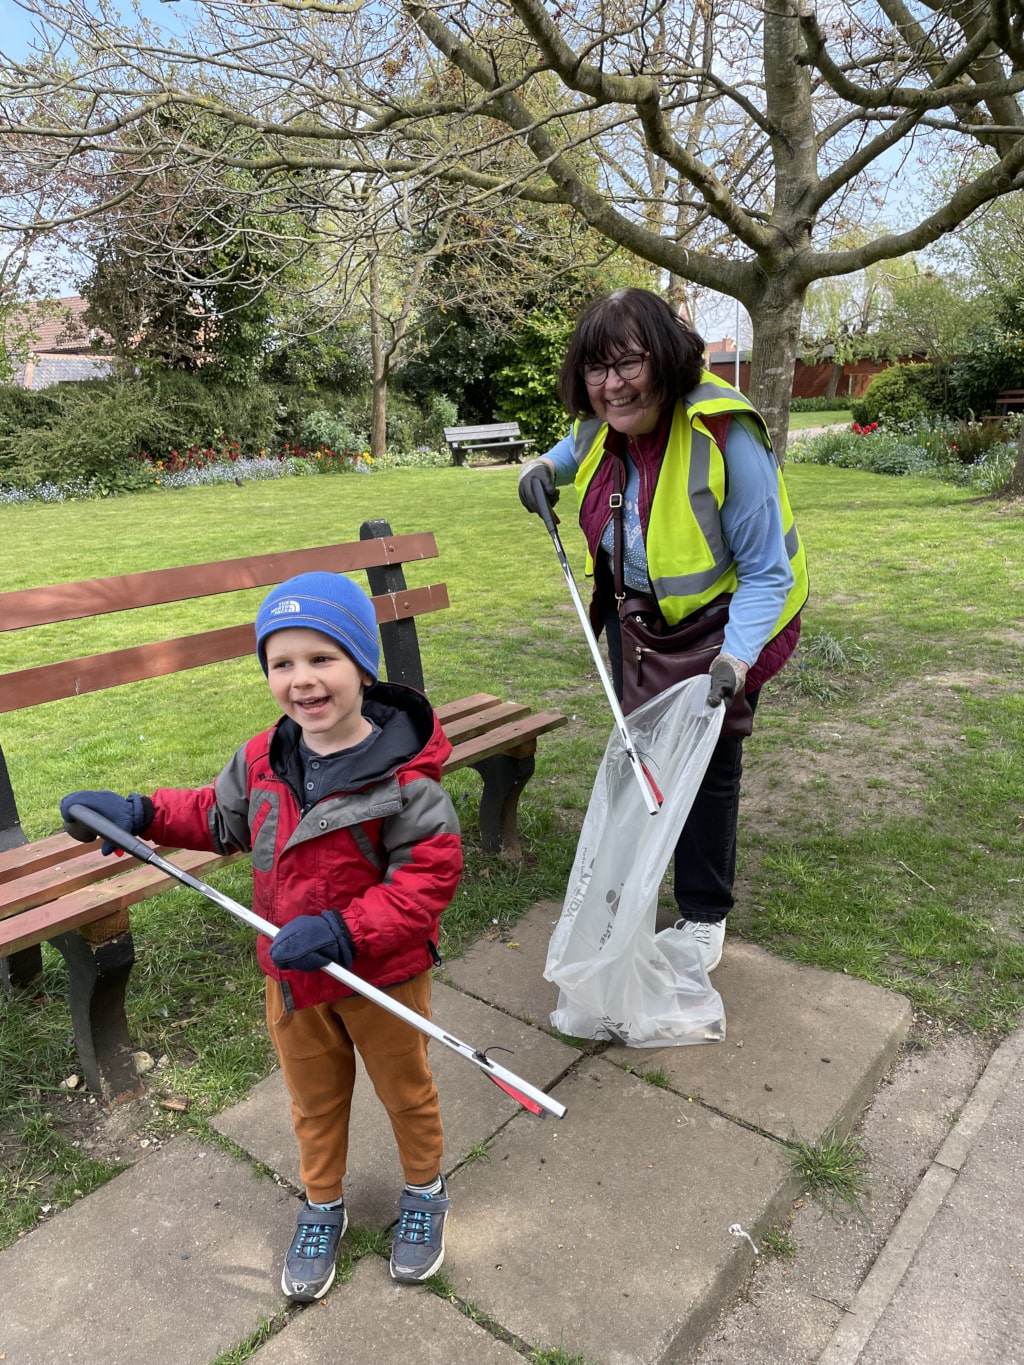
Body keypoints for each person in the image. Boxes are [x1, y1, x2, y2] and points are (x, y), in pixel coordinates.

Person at [60, 571, 463, 1300]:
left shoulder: (407, 781)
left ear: (362, 666)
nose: (302, 680)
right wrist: (139, 810)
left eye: (322, 658)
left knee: (407, 1090)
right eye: (282, 663)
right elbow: (218, 819)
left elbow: (425, 884)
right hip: (292, 980)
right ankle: (322, 1204)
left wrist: (344, 928)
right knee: (312, 1101)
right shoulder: (262, 760)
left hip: (381, 976)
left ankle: (425, 1188)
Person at [519, 287, 808, 974]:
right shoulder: (604, 421)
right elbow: (573, 446)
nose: (611, 385)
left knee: (708, 766)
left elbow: (767, 573)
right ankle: (633, 887)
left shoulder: (725, 436)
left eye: (628, 364)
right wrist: (543, 471)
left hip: (733, 622)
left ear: (666, 360)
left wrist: (737, 660)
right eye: (596, 368)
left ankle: (703, 914)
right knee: (643, 756)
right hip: (644, 621)